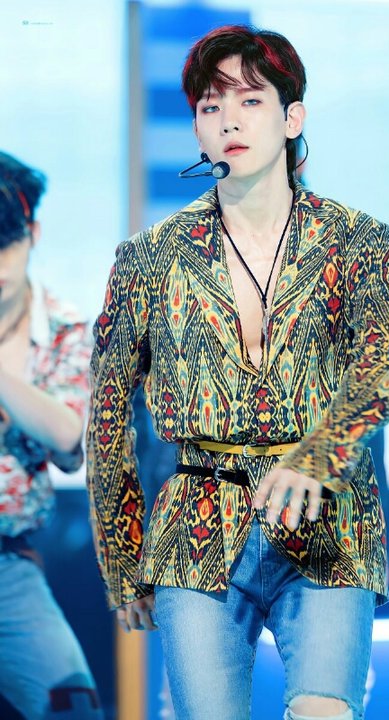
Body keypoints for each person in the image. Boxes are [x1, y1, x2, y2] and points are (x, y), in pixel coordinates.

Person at [87, 25, 389, 720]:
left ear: (292, 117)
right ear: (197, 130)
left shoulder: (358, 241)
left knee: (324, 712)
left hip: (328, 519)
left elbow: (384, 363)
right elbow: (108, 415)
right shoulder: (150, 257)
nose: (229, 120)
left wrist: (318, 455)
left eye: (250, 100)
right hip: (197, 522)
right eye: (211, 107)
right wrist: (123, 559)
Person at [0, 152, 103, 720]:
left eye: (8, 243)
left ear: (32, 234)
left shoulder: (66, 329)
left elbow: (68, 437)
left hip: (7, 568)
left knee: (73, 706)